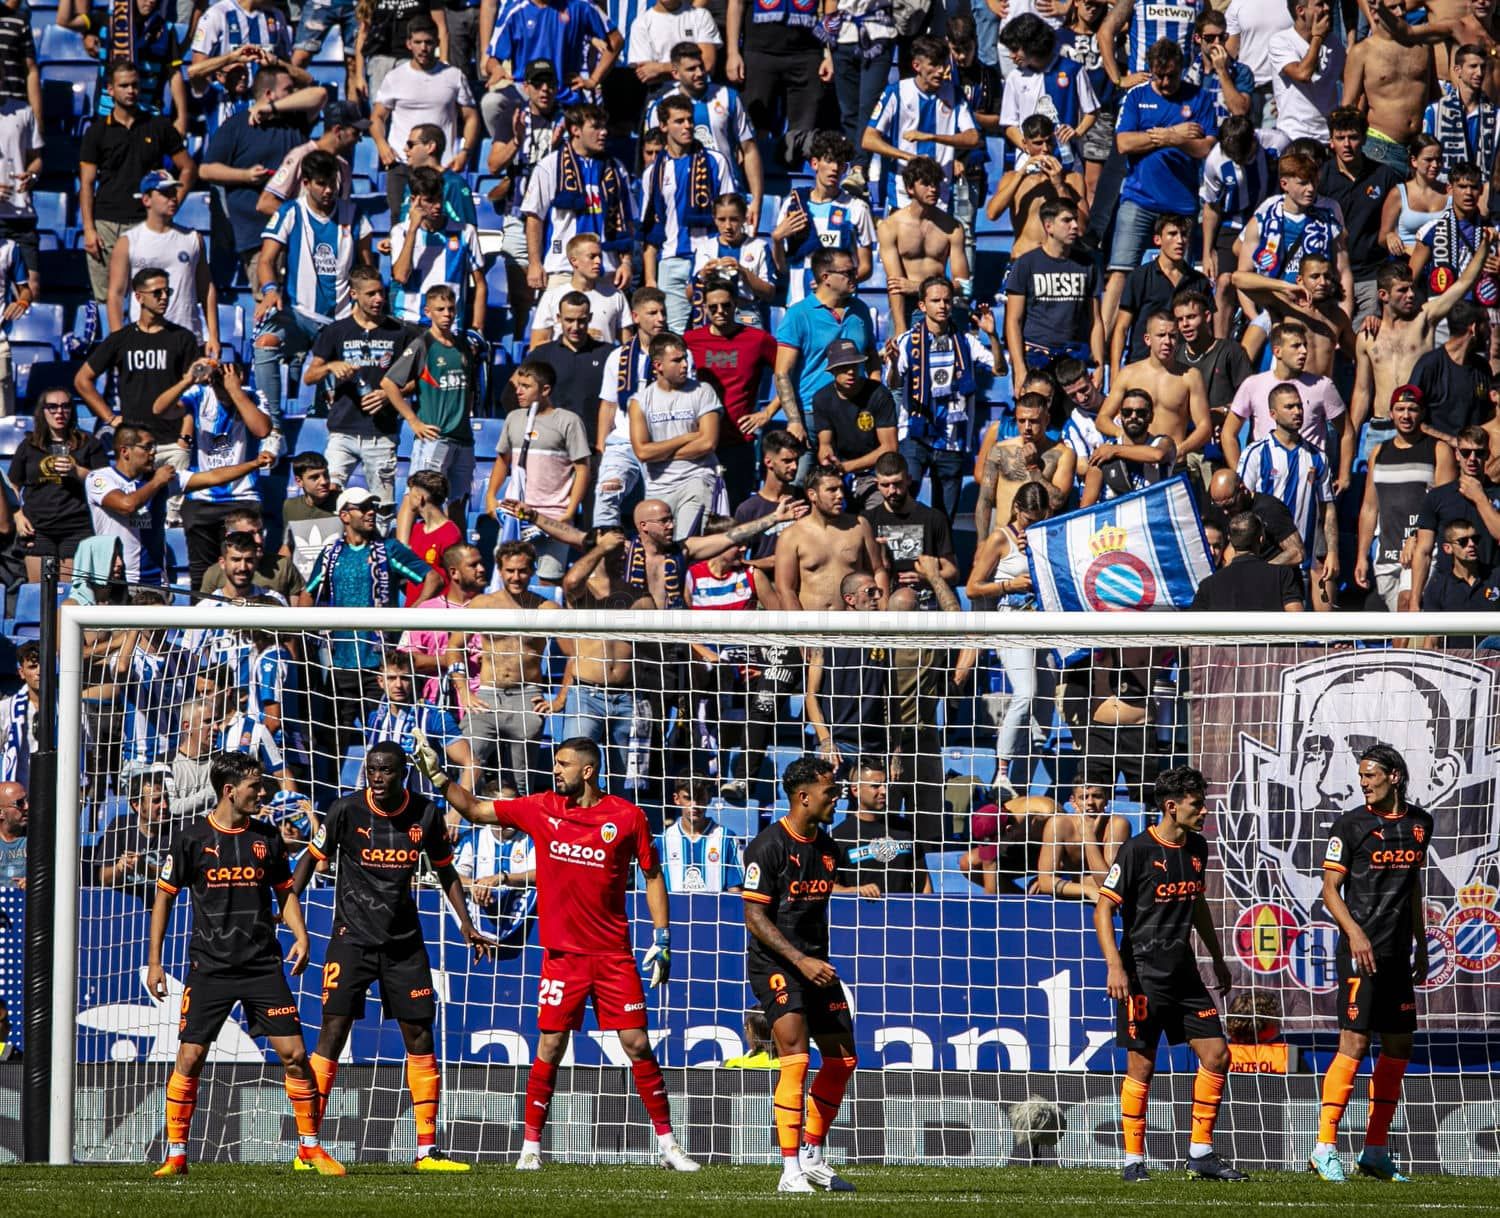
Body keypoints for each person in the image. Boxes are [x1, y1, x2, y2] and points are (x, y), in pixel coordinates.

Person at [413, 734, 702, 1173]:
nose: (555, 770)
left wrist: (662, 939)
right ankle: (530, 1147)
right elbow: (474, 809)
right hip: (562, 956)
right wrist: (438, 775)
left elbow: (653, 875)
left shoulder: (627, 818)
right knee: (549, 1046)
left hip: (613, 955)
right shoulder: (541, 807)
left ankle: (668, 1145)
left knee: (638, 1044)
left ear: (587, 770)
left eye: (563, 764)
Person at [290, 740, 491, 1171]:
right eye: (371, 769)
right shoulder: (345, 811)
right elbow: (311, 858)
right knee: (333, 1033)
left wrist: (466, 922)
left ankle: (426, 1152)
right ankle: (307, 1147)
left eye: (385, 770)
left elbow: (445, 870)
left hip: (404, 944)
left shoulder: (424, 813)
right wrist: (288, 908)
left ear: (403, 773)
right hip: (351, 939)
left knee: (419, 1035)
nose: (377, 777)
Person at [147, 752, 339, 1177]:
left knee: (294, 1055)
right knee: (190, 1057)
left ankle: (309, 1147)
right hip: (210, 968)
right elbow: (164, 897)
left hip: (262, 966)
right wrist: (155, 962)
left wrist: (301, 934)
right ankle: (176, 1153)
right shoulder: (191, 838)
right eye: (256, 787)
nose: (264, 793)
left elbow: (285, 891)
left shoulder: (267, 838)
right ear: (230, 791)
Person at [1094, 765, 1245, 1183]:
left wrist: (1215, 956)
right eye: (1197, 805)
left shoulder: (1198, 847)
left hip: (1184, 972)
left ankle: (1201, 1152)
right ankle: (1132, 1161)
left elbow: (1196, 904)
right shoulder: (1137, 850)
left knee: (1217, 1054)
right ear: (1171, 806)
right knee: (1141, 1066)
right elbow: (1104, 908)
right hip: (1142, 974)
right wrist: (1115, 965)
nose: (1204, 812)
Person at [741, 755, 876, 1193]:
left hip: (817, 965)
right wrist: (799, 961)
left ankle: (813, 1156)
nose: (838, 798)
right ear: (803, 796)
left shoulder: (829, 849)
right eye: (830, 792)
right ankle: (789, 1171)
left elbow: (825, 886)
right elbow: (755, 918)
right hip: (777, 966)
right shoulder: (767, 846)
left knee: (843, 1060)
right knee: (796, 1060)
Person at [1310, 744, 1432, 1183]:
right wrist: (1355, 932)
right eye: (1361, 776)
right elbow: (1329, 889)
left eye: (1371, 775)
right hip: (1359, 952)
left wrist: (1421, 941)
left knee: (1399, 1046)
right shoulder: (1351, 824)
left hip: (1398, 954)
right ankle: (1324, 1147)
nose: (1364, 783)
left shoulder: (1421, 824)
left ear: (1394, 776)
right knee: (1355, 1044)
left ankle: (1375, 1150)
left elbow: (1413, 887)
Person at [1103, 39, 1217, 330]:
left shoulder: (1199, 98)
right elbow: (1124, 142)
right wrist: (1171, 135)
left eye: (1171, 75)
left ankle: (1180, 342)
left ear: (1181, 69)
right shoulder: (1137, 96)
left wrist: (1175, 140)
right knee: (1120, 271)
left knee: (1182, 277)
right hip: (1139, 199)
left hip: (1181, 203)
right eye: (1158, 75)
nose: (1165, 82)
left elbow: (1206, 147)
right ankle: (1102, 344)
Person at [255, 150, 374, 424]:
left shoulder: (353, 215)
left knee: (341, 390)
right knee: (264, 343)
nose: (329, 190)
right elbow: (266, 260)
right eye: (321, 183)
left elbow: (367, 269)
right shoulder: (291, 212)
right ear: (306, 182)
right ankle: (273, 426)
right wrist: (271, 289)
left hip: (342, 320)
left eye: (332, 182)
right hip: (300, 315)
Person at [85, 425, 271, 586]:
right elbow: (126, 505)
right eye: (147, 447)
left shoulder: (162, 479)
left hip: (156, 583)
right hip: (116, 582)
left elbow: (213, 477)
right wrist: (157, 482)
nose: (153, 452)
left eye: (154, 446)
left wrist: (254, 464)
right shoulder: (100, 478)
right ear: (125, 451)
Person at [152, 358, 275, 592]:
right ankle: (202, 626)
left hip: (243, 497)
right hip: (202, 499)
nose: (223, 388)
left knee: (246, 567)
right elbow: (159, 409)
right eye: (219, 382)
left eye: (229, 381)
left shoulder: (254, 397)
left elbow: (262, 429)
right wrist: (189, 378)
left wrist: (236, 392)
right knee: (202, 574)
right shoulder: (200, 394)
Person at [78, 60, 195, 305]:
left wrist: (171, 205)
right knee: (107, 300)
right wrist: (89, 229)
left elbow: (188, 168)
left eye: (135, 85)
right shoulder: (96, 132)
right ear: (110, 89)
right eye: (124, 86)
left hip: (146, 223)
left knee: (148, 297)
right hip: (106, 224)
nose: (131, 90)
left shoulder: (158, 125)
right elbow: (87, 183)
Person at [888, 276, 1001, 520]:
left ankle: (939, 555)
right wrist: (895, 362)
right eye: (935, 300)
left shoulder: (967, 342)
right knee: (903, 501)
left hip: (952, 438)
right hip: (915, 434)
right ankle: (905, 557)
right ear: (921, 306)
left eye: (947, 301)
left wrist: (992, 336)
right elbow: (894, 383)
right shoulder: (907, 341)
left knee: (943, 518)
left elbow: (999, 369)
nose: (942, 306)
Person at [1351, 257, 1491, 449]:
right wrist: (1352, 437)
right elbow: (1362, 391)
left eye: (1412, 288)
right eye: (1402, 290)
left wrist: (1485, 243)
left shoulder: (1424, 319)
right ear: (1383, 295)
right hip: (1380, 426)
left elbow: (1463, 283)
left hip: (1417, 426)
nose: (1411, 294)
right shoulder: (1367, 335)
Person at [199, 66, 314, 296]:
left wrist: (272, 105)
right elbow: (206, 170)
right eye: (288, 89)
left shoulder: (294, 120)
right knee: (270, 306)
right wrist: (245, 175)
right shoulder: (236, 126)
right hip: (258, 234)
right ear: (268, 92)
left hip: (300, 231)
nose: (293, 94)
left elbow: (318, 93)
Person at [966, 482, 1051, 793]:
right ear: (1017, 509)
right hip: (1012, 617)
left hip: (1044, 625)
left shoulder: (1045, 536)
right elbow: (973, 587)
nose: (1034, 524)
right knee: (1025, 693)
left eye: (1040, 518)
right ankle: (1001, 770)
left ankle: (1022, 782)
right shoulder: (1000, 539)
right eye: (1029, 520)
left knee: (1043, 709)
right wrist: (1009, 585)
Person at [303, 265, 411, 509]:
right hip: (342, 430)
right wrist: (332, 366)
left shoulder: (399, 332)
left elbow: (418, 380)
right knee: (327, 497)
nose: (379, 299)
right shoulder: (336, 330)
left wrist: (390, 394)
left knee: (383, 507)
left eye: (381, 293)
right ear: (354, 294)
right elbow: (309, 376)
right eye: (371, 294)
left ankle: (380, 547)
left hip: (381, 432)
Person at [383, 285, 483, 525]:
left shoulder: (463, 346)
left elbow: (469, 388)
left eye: (451, 309)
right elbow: (388, 383)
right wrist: (413, 420)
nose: (447, 314)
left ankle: (456, 552)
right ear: (428, 312)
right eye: (440, 309)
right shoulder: (423, 345)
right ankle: (404, 548)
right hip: (435, 436)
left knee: (458, 500)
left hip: (463, 437)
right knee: (417, 496)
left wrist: (464, 416)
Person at [640, 94, 737, 335]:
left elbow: (731, 212)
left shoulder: (716, 161)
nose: (687, 126)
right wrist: (651, 279)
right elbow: (650, 231)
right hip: (671, 261)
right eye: (679, 121)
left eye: (690, 120)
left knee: (714, 332)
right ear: (663, 126)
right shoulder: (652, 173)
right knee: (670, 335)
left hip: (709, 257)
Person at [1237, 383, 1338, 611]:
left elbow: (1328, 509)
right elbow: (1241, 508)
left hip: (1301, 560)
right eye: (1290, 407)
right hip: (1267, 560)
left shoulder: (1317, 456)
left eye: (1300, 406)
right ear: (1273, 414)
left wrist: (1332, 552)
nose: (1297, 412)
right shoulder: (1256, 453)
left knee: (1298, 635)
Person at [487, 361, 592, 579]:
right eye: (518, 385)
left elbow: (582, 469)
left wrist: (569, 512)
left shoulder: (568, 421)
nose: (518, 391)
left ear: (545, 390)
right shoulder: (513, 418)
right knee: (509, 581)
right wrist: (490, 497)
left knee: (548, 581)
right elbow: (502, 461)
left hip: (554, 517)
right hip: (515, 517)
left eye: (526, 386)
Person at [74, 266, 200, 447]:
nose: (164, 297)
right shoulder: (121, 339)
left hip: (172, 441)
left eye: (167, 291)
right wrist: (110, 418)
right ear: (139, 297)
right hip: (133, 443)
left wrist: (185, 436)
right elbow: (82, 380)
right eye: (157, 292)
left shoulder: (183, 338)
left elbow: (195, 393)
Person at [1355, 387, 1454, 612]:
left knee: (1408, 604)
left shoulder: (1438, 450)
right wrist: (1361, 556)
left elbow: (1446, 507)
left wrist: (1417, 536)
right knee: (1405, 627)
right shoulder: (1378, 453)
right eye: (1400, 409)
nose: (1406, 415)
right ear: (1391, 413)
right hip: (1386, 555)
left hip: (1424, 552)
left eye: (1412, 409)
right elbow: (1370, 508)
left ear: (1422, 413)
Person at [371, 16, 480, 217]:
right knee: (400, 225)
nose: (423, 48)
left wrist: (465, 151)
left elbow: (471, 117)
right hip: (402, 165)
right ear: (408, 44)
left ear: (437, 43)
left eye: (429, 42)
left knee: (444, 222)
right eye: (418, 42)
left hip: (441, 166)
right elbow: (377, 117)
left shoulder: (453, 75)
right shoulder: (395, 77)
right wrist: (382, 145)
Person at [685, 276, 780, 506]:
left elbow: (789, 374)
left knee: (737, 511)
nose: (720, 311)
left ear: (735, 304)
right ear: (704, 308)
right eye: (713, 307)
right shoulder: (689, 340)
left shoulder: (758, 340)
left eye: (726, 305)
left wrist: (767, 412)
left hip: (740, 441)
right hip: (700, 441)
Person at [521, 103, 635, 293]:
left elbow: (628, 220)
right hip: (564, 269)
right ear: (575, 130)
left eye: (604, 127)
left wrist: (626, 263)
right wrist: (534, 263)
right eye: (596, 127)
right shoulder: (550, 166)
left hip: (608, 271)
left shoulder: (616, 168)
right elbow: (534, 218)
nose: (604, 132)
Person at [1222, 321, 1349, 489]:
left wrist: (1345, 476)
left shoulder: (1322, 386)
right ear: (1277, 351)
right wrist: (1242, 477)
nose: (1304, 351)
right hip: (1266, 479)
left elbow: (1347, 432)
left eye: (1305, 345)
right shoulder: (1253, 384)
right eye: (1296, 346)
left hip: (1309, 480)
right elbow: (1228, 434)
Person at [862, 35, 980, 212]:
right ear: (917, 66)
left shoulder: (954, 94)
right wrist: (909, 157)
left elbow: (973, 138)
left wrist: (932, 137)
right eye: (934, 65)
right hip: (903, 194)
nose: (941, 71)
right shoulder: (897, 92)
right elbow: (868, 139)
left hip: (940, 194)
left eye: (944, 64)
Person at [628, 333, 723, 539]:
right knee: (657, 550)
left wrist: (659, 451)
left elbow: (707, 443)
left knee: (685, 545)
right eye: (677, 360)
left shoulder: (702, 391)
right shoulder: (640, 401)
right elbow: (642, 452)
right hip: (658, 486)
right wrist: (686, 437)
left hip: (697, 478)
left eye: (685, 358)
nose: (684, 365)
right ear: (658, 365)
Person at [10, 391, 110, 584]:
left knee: (68, 594)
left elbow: (105, 483)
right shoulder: (29, 446)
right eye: (53, 407)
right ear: (43, 411)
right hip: (38, 528)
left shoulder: (88, 443)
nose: (59, 412)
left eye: (65, 406)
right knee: (40, 593)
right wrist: (18, 515)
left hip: (76, 527)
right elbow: (12, 485)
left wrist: (77, 471)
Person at [107, 172, 216, 348]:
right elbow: (116, 295)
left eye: (174, 192)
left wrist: (213, 335)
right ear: (146, 200)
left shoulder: (193, 238)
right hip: (144, 342)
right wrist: (118, 344)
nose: (172, 198)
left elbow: (206, 289)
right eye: (165, 193)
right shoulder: (129, 241)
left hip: (187, 339)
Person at [1199, 116, 1285, 336]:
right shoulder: (1214, 162)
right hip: (1234, 224)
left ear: (1254, 142)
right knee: (1225, 281)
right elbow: (1212, 207)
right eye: (1234, 159)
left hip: (1271, 224)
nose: (1239, 163)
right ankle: (1220, 347)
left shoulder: (1277, 143)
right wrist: (1208, 251)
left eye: (1243, 158)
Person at [771, 131, 875, 307]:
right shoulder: (793, 205)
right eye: (829, 160)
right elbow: (782, 268)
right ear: (814, 163)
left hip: (840, 305)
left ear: (844, 169)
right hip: (799, 303)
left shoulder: (856, 208)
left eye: (840, 163)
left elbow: (866, 267)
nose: (834, 168)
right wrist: (776, 240)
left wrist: (838, 282)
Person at [1097, 312, 1212, 468]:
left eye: (1172, 336)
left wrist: (1178, 450)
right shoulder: (1128, 374)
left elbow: (1204, 427)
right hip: (1134, 462)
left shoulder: (1190, 376)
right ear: (1148, 339)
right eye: (1161, 335)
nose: (1167, 342)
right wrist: (1121, 435)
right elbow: (1102, 419)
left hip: (1173, 464)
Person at [1004, 198, 1103, 378]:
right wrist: (1019, 369)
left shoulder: (1087, 265)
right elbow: (1013, 321)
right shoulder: (1026, 264)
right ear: (1048, 226)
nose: (1074, 225)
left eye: (1075, 219)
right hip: (1035, 356)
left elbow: (1095, 321)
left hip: (1073, 357)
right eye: (1066, 220)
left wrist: (1099, 365)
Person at [875, 157, 970, 338]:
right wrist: (900, 328)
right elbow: (896, 286)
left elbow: (965, 285)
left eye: (935, 183)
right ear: (910, 188)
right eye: (926, 184)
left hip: (941, 306)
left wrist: (917, 287)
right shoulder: (891, 226)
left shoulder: (952, 228)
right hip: (908, 309)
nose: (933, 189)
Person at [1407, 426, 1500, 609]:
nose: (1472, 459)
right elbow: (1423, 551)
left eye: (1478, 453)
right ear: (1457, 455)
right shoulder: (1437, 497)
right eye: (1466, 452)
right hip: (1447, 586)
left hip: (1490, 584)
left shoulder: (1497, 493)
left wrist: (1480, 498)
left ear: (1487, 455)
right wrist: (1414, 599)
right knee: (1436, 638)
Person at [723, 0, 823, 167]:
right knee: (754, 123)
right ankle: (751, 178)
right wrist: (732, 52)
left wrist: (830, 53)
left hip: (806, 53)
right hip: (758, 51)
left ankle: (801, 185)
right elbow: (736, 4)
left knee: (804, 128)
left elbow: (830, 7)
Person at [774, 466, 888, 611]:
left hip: (853, 624)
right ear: (812, 495)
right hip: (811, 626)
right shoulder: (792, 535)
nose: (840, 495)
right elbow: (785, 590)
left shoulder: (860, 526)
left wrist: (883, 611)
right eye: (832, 490)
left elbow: (878, 570)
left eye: (841, 488)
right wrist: (799, 629)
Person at [1109, 214, 1209, 378]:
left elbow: (1207, 329)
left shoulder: (1199, 281)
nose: (1180, 240)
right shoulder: (1139, 276)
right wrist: (1114, 374)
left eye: (1184, 235)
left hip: (1184, 369)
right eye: (1172, 234)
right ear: (1157, 240)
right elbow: (1121, 327)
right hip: (1142, 365)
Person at [388, 166, 486, 331]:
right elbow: (401, 276)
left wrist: (478, 329)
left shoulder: (465, 232)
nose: (438, 205)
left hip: (449, 326)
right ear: (414, 200)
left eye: (440, 198)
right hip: (409, 322)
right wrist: (413, 229)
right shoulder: (400, 232)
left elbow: (480, 283)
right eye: (429, 200)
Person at [812, 339, 898, 513]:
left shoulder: (879, 394)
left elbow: (889, 448)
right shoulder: (822, 398)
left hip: (875, 473)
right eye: (844, 367)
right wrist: (828, 461)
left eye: (855, 366)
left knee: (878, 515)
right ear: (832, 370)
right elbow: (825, 444)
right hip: (839, 475)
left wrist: (846, 467)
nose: (851, 372)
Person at [973, 393, 1077, 538]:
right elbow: (985, 500)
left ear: (1046, 420)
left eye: (1033, 421)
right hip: (1003, 539)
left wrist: (1033, 468)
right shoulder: (1000, 450)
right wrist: (982, 542)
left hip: (1039, 539)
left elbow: (1056, 502)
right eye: (1021, 421)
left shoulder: (1063, 454)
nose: (1027, 427)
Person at [481, 0, 618, 109]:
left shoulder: (580, 5)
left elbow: (616, 40)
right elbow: (492, 58)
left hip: (565, 98)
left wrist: (593, 80)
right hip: (526, 96)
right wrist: (496, 68)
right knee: (491, 104)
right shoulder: (515, 11)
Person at [864, 453, 959, 609]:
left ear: (908, 479)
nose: (892, 491)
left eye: (897, 484)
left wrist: (925, 577)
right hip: (884, 597)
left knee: (904, 599)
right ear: (877, 484)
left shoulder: (933, 518)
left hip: (926, 597)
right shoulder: (868, 520)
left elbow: (952, 572)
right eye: (885, 485)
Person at [256, 98, 365, 218]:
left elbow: (343, 213)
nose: (358, 140)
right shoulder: (300, 156)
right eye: (355, 133)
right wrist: (305, 222)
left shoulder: (344, 167)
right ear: (338, 130)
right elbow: (266, 203)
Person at [1409, 301, 1497, 443]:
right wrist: (1450, 441)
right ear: (1473, 328)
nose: (1490, 330)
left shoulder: (1482, 367)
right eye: (1486, 323)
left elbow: (1490, 415)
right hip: (1437, 456)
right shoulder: (1429, 365)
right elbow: (1411, 416)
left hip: (1474, 457)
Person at [834, 757, 923, 896]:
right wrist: (855, 891)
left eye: (885, 785)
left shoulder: (904, 828)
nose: (884, 791)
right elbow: (826, 887)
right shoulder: (839, 836)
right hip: (860, 914)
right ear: (856, 790)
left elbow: (923, 881)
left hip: (902, 914)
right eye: (875, 786)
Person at [1032, 782, 1131, 902]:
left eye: (1097, 796)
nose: (1090, 802)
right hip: (1080, 896)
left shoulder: (1117, 825)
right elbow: (1046, 883)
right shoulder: (1059, 825)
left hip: (1110, 900)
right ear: (1073, 802)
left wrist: (1089, 837)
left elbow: (1110, 885)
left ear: (1106, 800)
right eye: (1083, 797)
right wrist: (1088, 890)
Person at [1190, 512, 1305, 612]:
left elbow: (1192, 628)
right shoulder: (1282, 575)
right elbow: (1297, 620)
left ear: (1230, 540)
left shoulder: (1208, 585)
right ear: (1261, 539)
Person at [530, 234, 630, 348]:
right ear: (574, 261)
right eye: (592, 257)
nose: (598, 261)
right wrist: (580, 338)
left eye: (600, 256)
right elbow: (537, 345)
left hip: (603, 363)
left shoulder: (615, 296)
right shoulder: (552, 296)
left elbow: (627, 345)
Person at [1081, 388, 1175, 506]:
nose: (1133, 416)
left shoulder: (1163, 442)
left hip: (1154, 516)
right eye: (1127, 412)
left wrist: (1115, 450)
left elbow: (1157, 455)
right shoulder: (1102, 453)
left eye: (1141, 413)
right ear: (1120, 417)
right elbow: (1086, 507)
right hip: (1114, 521)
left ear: (1151, 417)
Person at [1421, 42, 1499, 184]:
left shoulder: (1496, 115)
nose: (1479, 73)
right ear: (1457, 70)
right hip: (1444, 191)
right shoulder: (1435, 112)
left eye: (1482, 67)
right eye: (1473, 66)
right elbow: (1425, 157)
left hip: (1483, 192)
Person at [1267, 0, 1342, 143]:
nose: (1327, 8)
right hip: (1295, 137)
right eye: (1320, 4)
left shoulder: (1334, 43)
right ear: (1301, 10)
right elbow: (1302, 74)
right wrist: (1317, 38)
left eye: (1328, 3)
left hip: (1328, 138)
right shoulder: (1281, 41)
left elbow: (1350, 79)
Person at [656, 777, 744, 894]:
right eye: (688, 798)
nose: (694, 804)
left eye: (700, 798)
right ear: (676, 799)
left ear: (709, 799)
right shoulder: (663, 841)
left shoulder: (726, 838)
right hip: (675, 911)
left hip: (715, 911)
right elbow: (653, 886)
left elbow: (735, 890)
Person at [1379, 136, 1450, 262]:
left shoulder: (1450, 193)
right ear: (1414, 161)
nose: (1435, 165)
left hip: (1442, 264)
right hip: (1407, 261)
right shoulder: (1399, 193)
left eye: (1438, 160)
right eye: (1428, 160)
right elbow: (1382, 237)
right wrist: (1390, 237)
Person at [1420, 519, 1500, 611]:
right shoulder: (1437, 587)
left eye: (1475, 539)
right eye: (1463, 541)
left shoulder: (1496, 577)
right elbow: (1431, 624)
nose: (1471, 544)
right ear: (1448, 548)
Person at [0, 781, 24, 887]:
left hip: (32, 901)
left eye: (28, 800)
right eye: (20, 803)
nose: (27, 806)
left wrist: (37, 883)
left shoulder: (41, 840)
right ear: (1, 812)